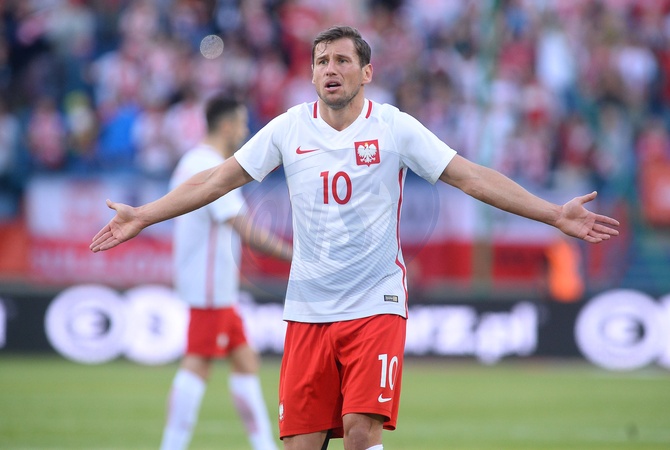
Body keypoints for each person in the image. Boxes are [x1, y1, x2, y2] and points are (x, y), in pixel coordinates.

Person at [91, 26, 620, 450]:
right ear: (311, 75)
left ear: (367, 72)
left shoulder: (394, 127)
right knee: (300, 443)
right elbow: (214, 180)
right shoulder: (287, 129)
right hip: (307, 310)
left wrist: (553, 213)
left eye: (342, 60)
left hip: (375, 304)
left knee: (361, 433)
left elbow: (471, 177)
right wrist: (146, 215)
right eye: (321, 61)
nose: (331, 69)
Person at [160, 95, 290, 450]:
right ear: (228, 126)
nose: (246, 132)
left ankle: (265, 446)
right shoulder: (208, 167)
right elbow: (245, 229)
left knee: (245, 359)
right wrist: (297, 256)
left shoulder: (192, 161)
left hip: (214, 285)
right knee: (198, 363)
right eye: (243, 124)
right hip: (209, 287)